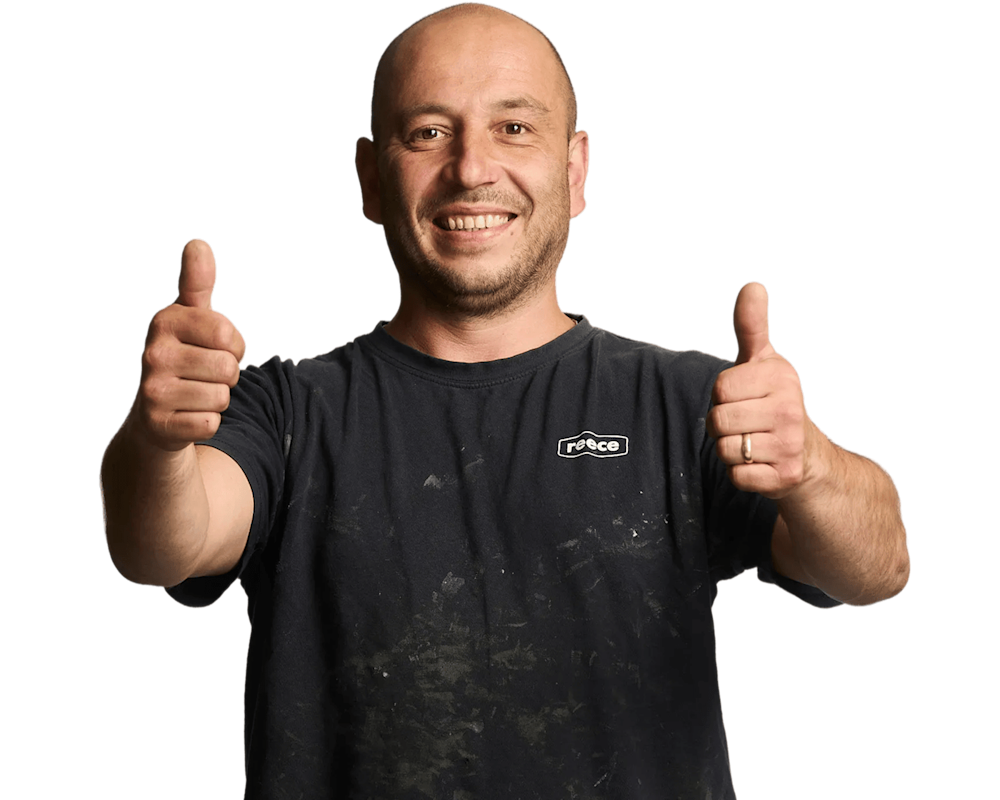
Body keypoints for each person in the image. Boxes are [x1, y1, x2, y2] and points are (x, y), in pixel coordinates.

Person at [100, 3, 848, 798]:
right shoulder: (287, 408)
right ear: (370, 180)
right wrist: (157, 441)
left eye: (514, 129)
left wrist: (814, 469)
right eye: (428, 132)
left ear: (575, 173)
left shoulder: (690, 400)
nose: (471, 169)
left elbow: (870, 571)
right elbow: (158, 550)